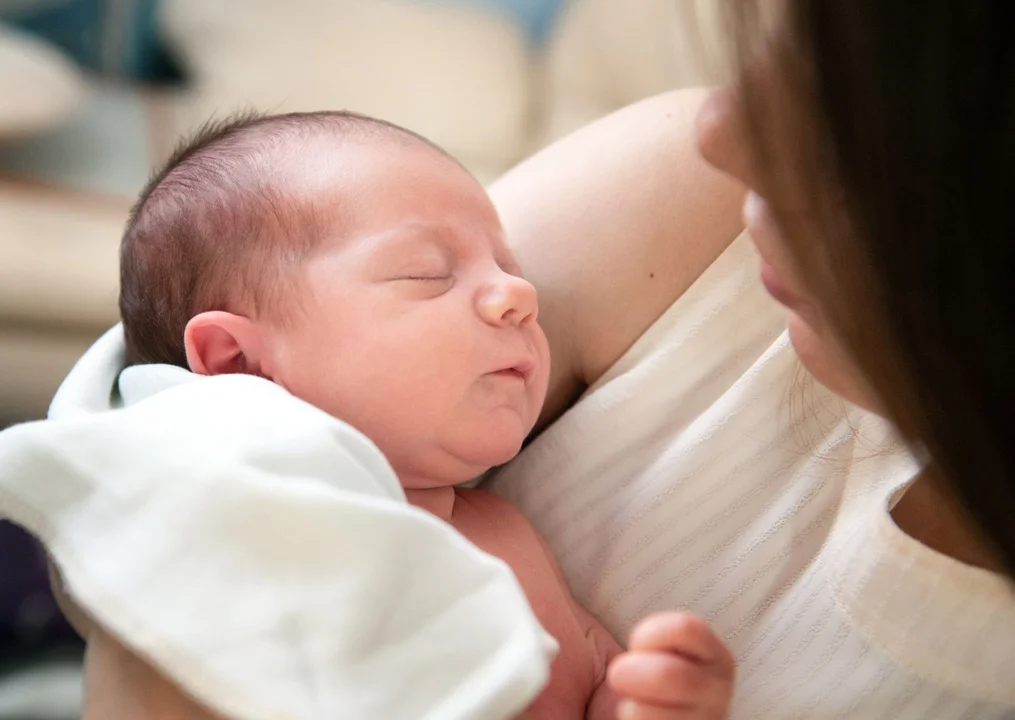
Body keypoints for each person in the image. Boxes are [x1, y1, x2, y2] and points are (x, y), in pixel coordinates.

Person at [4, 1, 1015, 717]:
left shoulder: (505, 541)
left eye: (850, 101)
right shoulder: (238, 499)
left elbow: (591, 677)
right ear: (232, 369)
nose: (516, 291)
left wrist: (644, 698)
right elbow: (134, 454)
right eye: (426, 275)